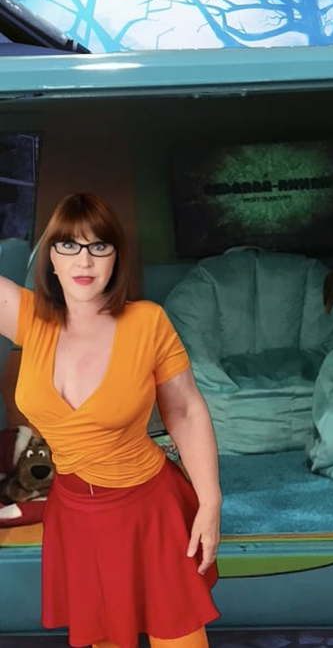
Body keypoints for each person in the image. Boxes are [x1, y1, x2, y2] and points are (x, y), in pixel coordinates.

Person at [0, 193, 222, 648]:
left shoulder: (147, 322)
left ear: (115, 257)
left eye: (98, 246)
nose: (84, 260)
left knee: (179, 638)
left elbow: (185, 410)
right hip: (76, 516)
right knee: (105, 639)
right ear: (50, 258)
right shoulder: (31, 319)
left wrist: (210, 501)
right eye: (68, 245)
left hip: (149, 509)